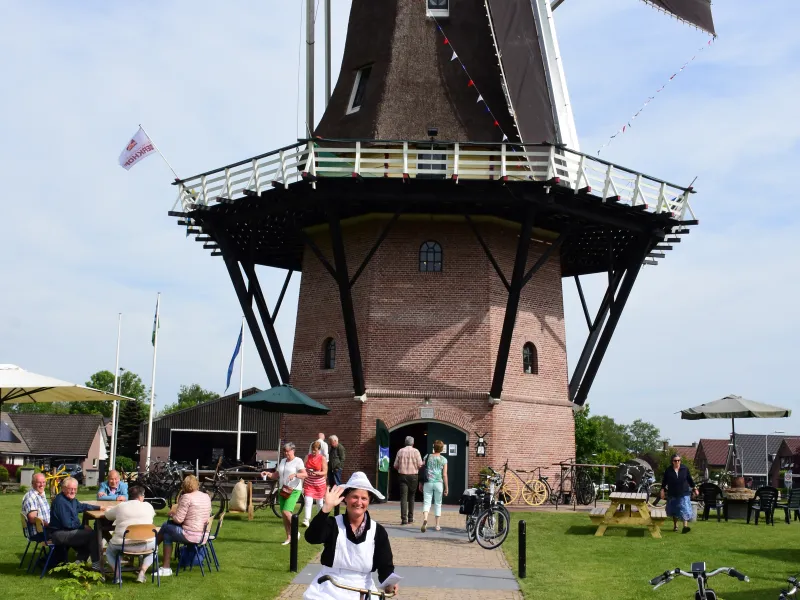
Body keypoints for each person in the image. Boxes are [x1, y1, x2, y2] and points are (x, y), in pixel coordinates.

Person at [303, 472, 399, 599]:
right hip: (330, 586)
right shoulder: (333, 524)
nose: (359, 502)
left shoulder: (378, 531)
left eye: (364, 498)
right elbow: (311, 538)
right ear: (346, 498)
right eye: (354, 497)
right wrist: (325, 509)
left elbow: (385, 565)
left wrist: (390, 584)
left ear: (369, 501)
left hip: (363, 589)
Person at [156, 474, 212, 577]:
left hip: (190, 534)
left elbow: (178, 520)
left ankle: (152, 550)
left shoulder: (186, 497)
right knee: (167, 532)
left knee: (166, 527)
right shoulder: (206, 496)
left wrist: (172, 514)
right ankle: (163, 564)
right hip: (203, 534)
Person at [103, 484, 156, 584]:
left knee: (109, 552)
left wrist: (108, 509)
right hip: (146, 543)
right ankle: (142, 572)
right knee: (154, 550)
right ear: (141, 496)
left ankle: (118, 576)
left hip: (123, 545)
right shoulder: (149, 506)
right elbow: (152, 515)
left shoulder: (121, 506)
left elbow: (108, 516)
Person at [49, 477, 101, 567]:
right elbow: (67, 524)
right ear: (63, 489)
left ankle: (78, 563)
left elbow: (81, 506)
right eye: (70, 489)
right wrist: (82, 527)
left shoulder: (71, 500)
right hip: (58, 534)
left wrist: (98, 507)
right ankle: (96, 564)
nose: (73, 491)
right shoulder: (61, 502)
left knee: (89, 536)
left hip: (65, 531)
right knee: (92, 535)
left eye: (75, 489)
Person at [267, 442, 307, 545]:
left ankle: (295, 532)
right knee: (284, 516)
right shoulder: (283, 461)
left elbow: (304, 474)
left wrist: (296, 474)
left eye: (287, 451)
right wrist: (268, 474)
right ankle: (289, 537)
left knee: (286, 511)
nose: (286, 453)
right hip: (283, 489)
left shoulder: (298, 461)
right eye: (284, 451)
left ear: (293, 451)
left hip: (293, 489)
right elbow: (276, 475)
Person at [660, 454, 697, 533]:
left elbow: (689, 479)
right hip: (672, 492)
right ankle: (675, 526)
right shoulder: (668, 470)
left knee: (685, 508)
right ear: (672, 462)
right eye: (675, 461)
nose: (677, 462)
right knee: (675, 510)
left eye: (678, 460)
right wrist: (662, 490)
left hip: (684, 492)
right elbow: (664, 481)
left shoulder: (685, 469)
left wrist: (695, 488)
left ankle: (685, 526)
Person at [393, 436, 423, 525]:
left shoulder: (400, 451)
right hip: (413, 476)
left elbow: (395, 465)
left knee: (403, 497)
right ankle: (410, 517)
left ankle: (404, 519)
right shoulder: (416, 451)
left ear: (405, 443)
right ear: (413, 443)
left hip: (402, 476)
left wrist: (401, 467)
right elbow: (420, 465)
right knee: (412, 496)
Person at [420, 440, 448, 533]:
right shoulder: (443, 459)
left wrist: (420, 483)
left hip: (428, 482)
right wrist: (446, 487)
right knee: (438, 503)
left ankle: (425, 520)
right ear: (442, 448)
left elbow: (422, 469)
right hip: (438, 483)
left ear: (434, 447)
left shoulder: (427, 457)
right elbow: (444, 474)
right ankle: (437, 525)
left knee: (427, 503)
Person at [303, 440, 329, 527]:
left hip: (319, 483)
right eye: (313, 450)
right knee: (308, 500)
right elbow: (303, 469)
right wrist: (306, 472)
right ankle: (306, 519)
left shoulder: (322, 458)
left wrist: (318, 473)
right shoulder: (307, 457)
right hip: (309, 482)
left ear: (319, 450)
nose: (314, 452)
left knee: (320, 502)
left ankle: (320, 520)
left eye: (316, 450)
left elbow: (325, 471)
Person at [22, 472, 50, 541]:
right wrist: (50, 525)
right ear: (33, 483)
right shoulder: (31, 497)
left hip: (44, 529)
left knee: (65, 532)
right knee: (64, 535)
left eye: (43, 482)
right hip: (38, 532)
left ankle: (57, 551)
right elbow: (32, 518)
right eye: (39, 482)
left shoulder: (40, 494)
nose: (42, 485)